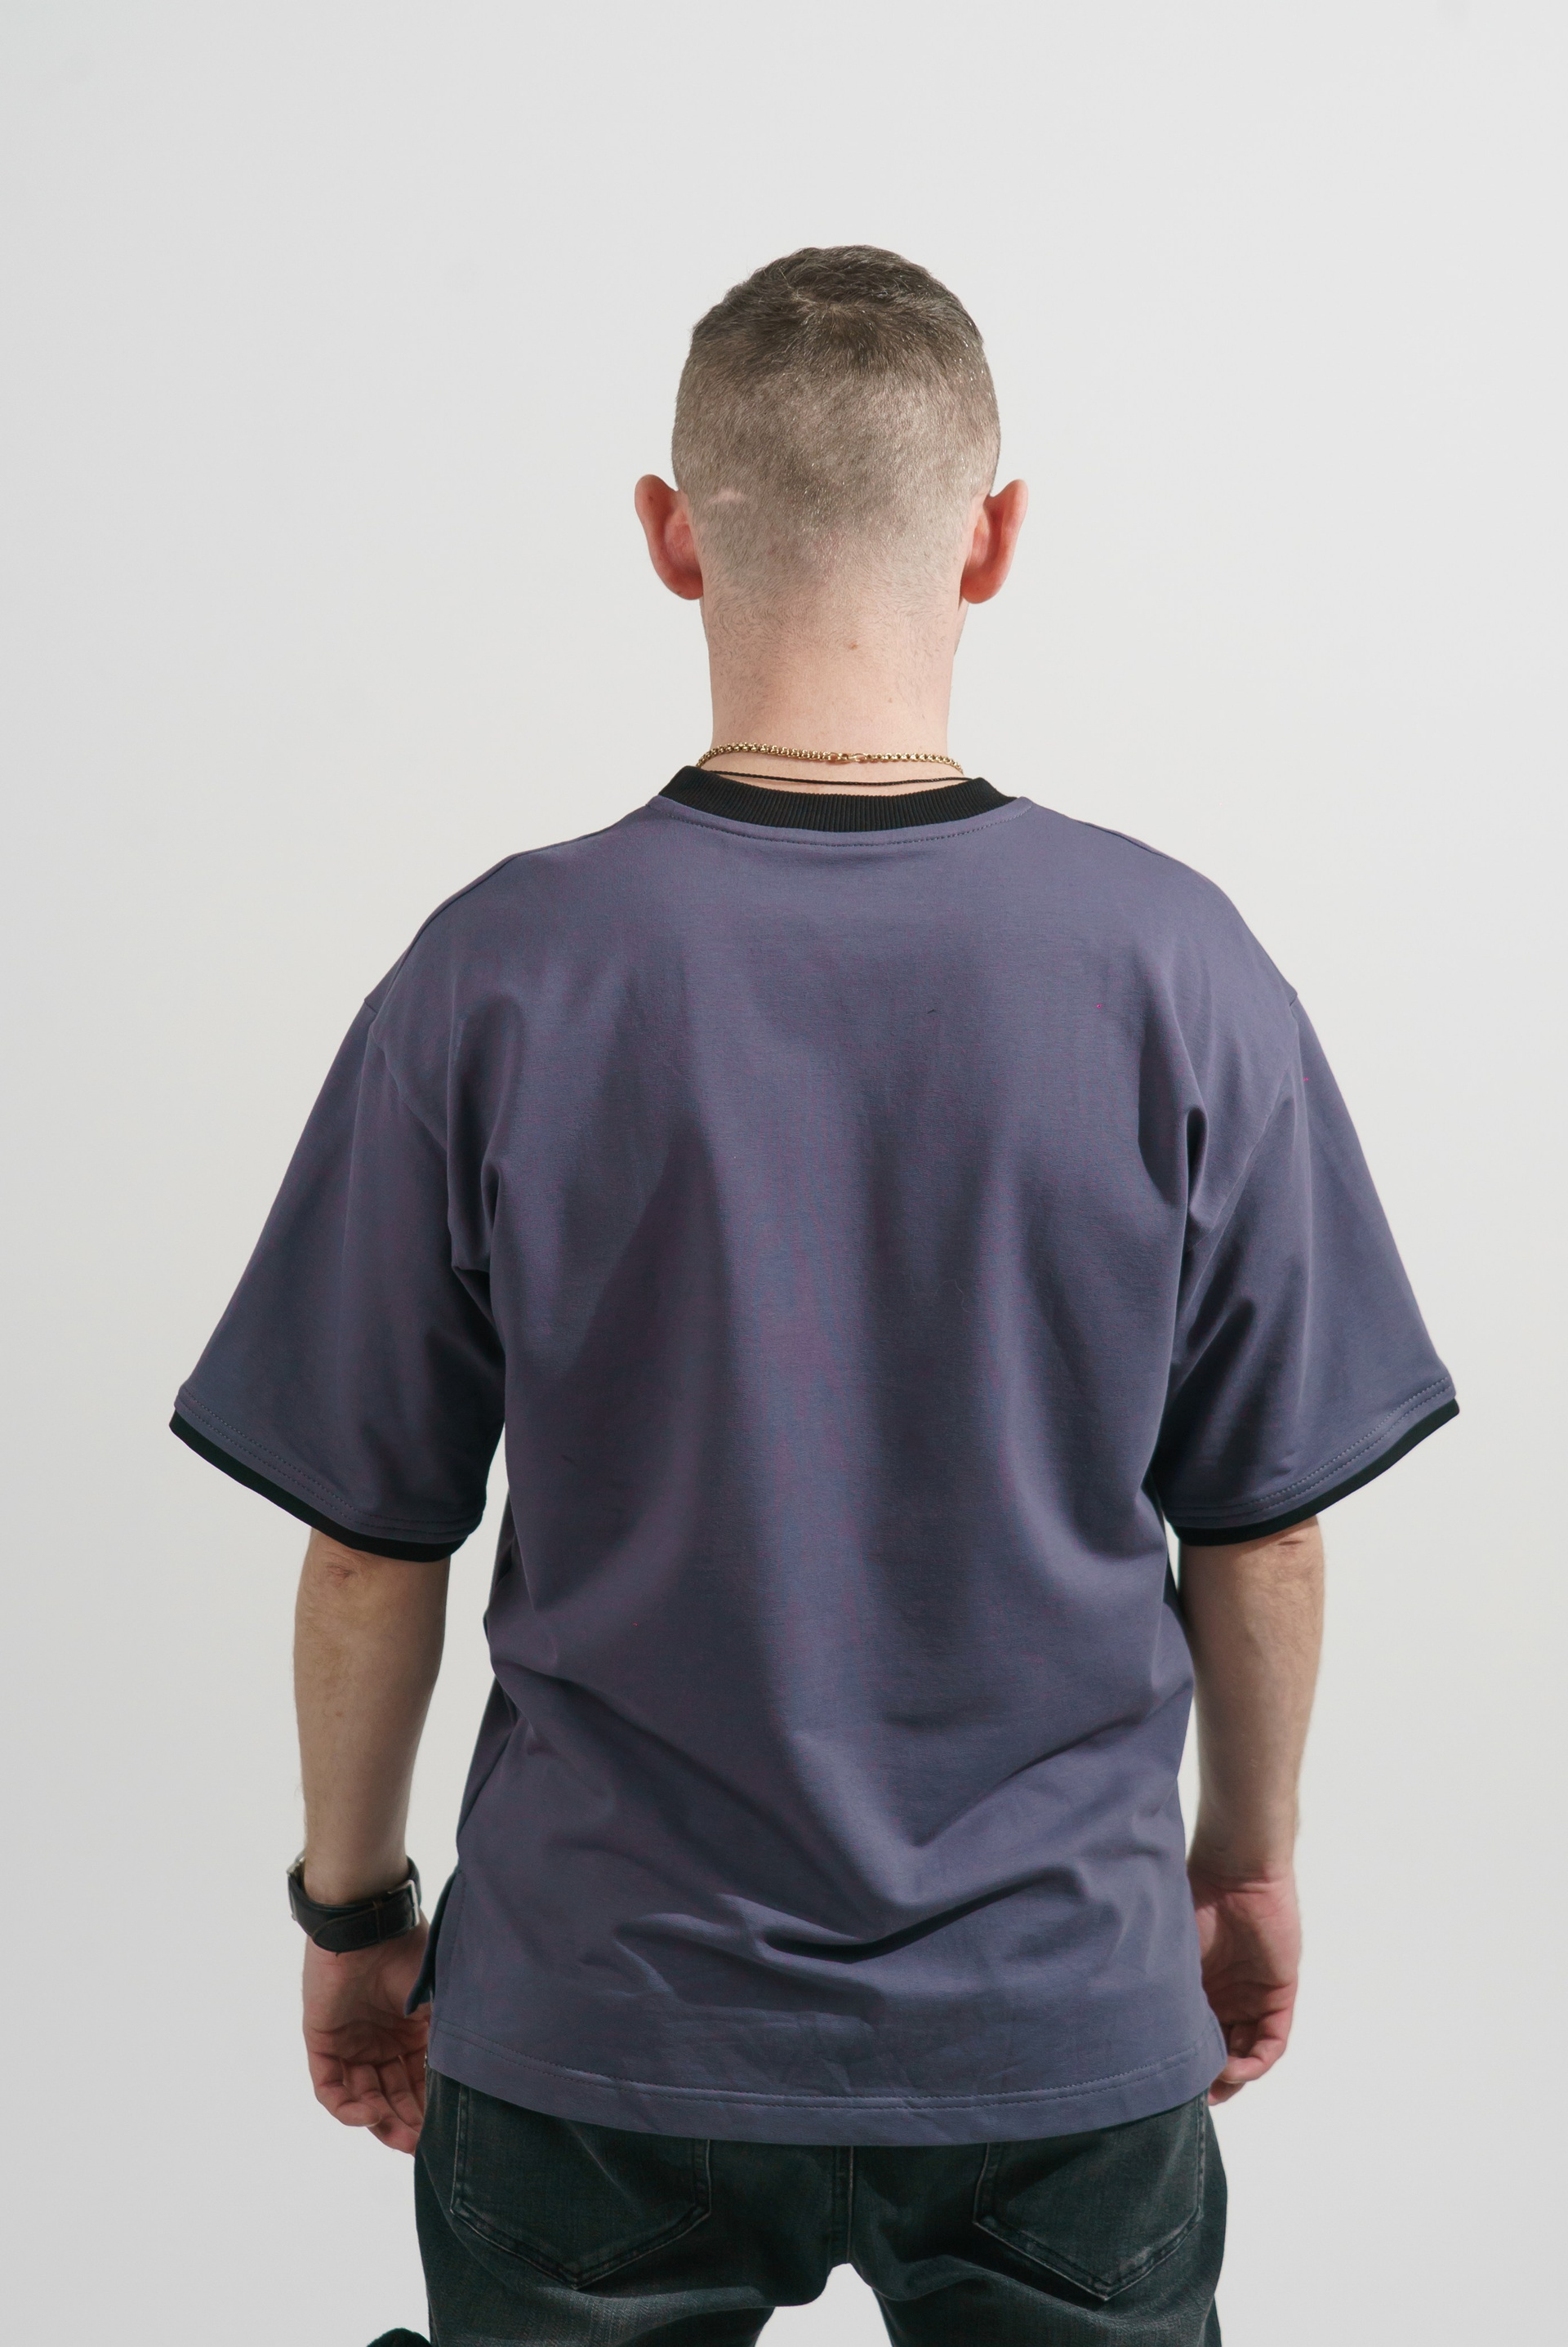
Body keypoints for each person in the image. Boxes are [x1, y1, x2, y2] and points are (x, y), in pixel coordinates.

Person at [172, 247, 1457, 2345]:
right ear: (995, 535)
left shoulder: (497, 973)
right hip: (1058, 2015)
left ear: (672, 534)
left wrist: (354, 1914)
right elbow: (1268, 1531)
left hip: (599, 2022)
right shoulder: (1181, 973)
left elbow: (367, 1549)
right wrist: (1242, 1874)